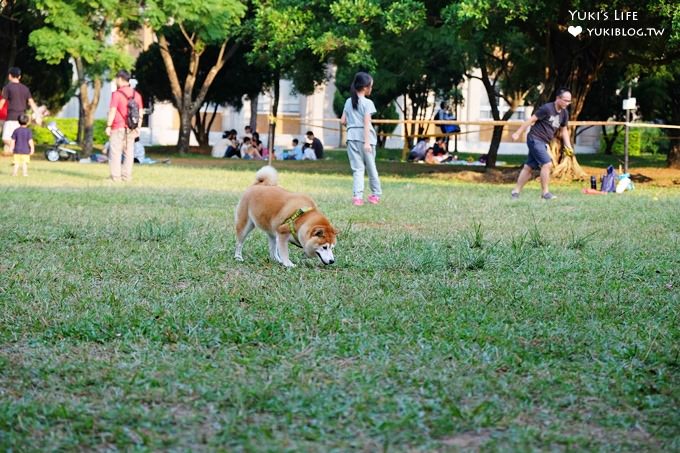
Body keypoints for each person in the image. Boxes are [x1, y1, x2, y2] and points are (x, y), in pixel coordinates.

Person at [510, 89, 573, 200]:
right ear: (558, 98)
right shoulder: (547, 108)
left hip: (543, 141)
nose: (567, 103)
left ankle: (515, 192)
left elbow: (564, 130)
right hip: (535, 138)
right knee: (547, 164)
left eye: (569, 101)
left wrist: (568, 146)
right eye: (565, 100)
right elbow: (531, 120)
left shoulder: (564, 113)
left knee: (528, 167)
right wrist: (517, 133)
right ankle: (545, 193)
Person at [340, 71, 382, 206]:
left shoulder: (348, 101)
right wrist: (367, 143)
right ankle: (375, 194)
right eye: (371, 86)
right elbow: (366, 123)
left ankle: (357, 197)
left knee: (357, 169)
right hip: (366, 138)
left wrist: (352, 121)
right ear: (365, 87)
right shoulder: (368, 103)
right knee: (371, 168)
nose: (371, 89)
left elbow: (342, 121)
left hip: (351, 137)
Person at [105, 69, 143, 182]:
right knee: (129, 153)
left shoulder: (116, 94)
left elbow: (112, 110)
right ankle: (126, 176)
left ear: (120, 79)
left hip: (118, 127)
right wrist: (138, 127)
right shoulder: (136, 94)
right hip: (132, 127)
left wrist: (108, 125)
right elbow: (140, 112)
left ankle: (115, 177)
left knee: (115, 152)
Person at [1, 67, 40, 155]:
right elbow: (31, 102)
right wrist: (37, 114)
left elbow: (2, 102)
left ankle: (21, 149)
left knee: (6, 138)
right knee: (18, 137)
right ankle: (20, 153)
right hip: (22, 117)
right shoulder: (25, 88)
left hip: (11, 116)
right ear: (19, 77)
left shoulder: (7, 88)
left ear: (10, 76)